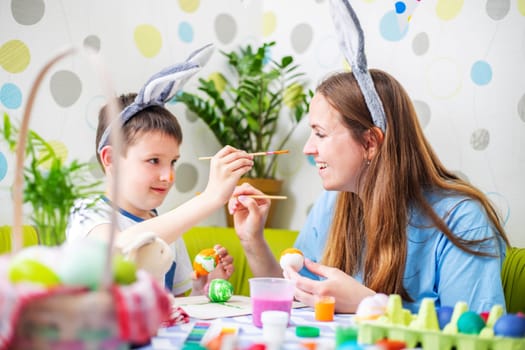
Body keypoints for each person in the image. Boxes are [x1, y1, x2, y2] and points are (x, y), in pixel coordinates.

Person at [228, 69, 510, 314]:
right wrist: (252, 238)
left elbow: (476, 334)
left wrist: (368, 303)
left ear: (370, 143)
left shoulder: (461, 219)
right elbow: (296, 292)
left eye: (321, 133)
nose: (308, 149)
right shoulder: (333, 203)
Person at [67, 92, 254, 296]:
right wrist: (211, 197)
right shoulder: (87, 214)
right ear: (111, 159)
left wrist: (202, 289)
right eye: (154, 160)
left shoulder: (167, 229)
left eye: (173, 161)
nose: (169, 176)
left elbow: (174, 305)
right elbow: (118, 249)